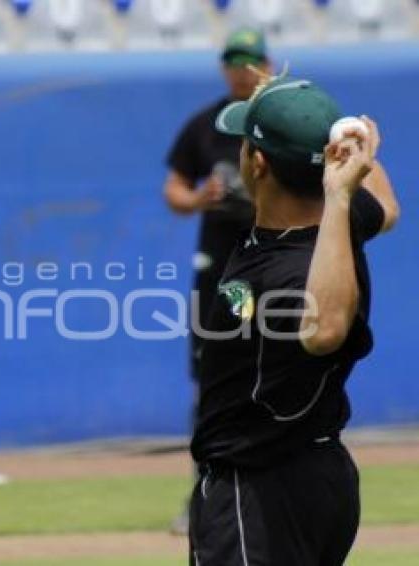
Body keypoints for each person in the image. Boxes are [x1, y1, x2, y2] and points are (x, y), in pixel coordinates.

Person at [188, 74, 399, 565]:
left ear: (257, 163)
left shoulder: (296, 268)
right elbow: (387, 208)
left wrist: (342, 192)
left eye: (244, 142)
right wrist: (354, 149)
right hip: (317, 474)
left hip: (258, 490)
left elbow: (324, 330)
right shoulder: (338, 224)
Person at [162, 28, 272, 535]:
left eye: (249, 61)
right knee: (211, 381)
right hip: (219, 267)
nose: (240, 70)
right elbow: (174, 190)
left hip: (274, 263)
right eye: (233, 61)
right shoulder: (205, 125)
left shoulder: (279, 121)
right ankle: (204, 494)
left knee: (275, 372)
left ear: (266, 65)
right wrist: (199, 197)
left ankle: (270, 493)